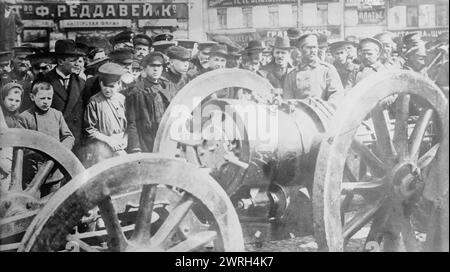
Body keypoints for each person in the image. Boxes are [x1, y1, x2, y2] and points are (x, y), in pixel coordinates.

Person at [19, 81, 75, 196]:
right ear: (32, 97)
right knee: (33, 205)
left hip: (54, 171)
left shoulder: (57, 115)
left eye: (49, 98)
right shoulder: (24, 117)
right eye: (42, 98)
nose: (46, 102)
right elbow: (20, 145)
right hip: (33, 174)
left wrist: (59, 150)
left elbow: (68, 137)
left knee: (53, 205)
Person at [38, 39, 85, 155]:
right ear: (60, 61)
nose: (77, 64)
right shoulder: (43, 81)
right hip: (53, 142)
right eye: (73, 61)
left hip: (76, 143)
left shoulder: (81, 83)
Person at [126, 52, 177, 153]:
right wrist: (135, 147)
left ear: (162, 68)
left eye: (159, 66)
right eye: (152, 66)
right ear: (145, 68)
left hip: (166, 137)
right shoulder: (137, 91)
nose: (156, 69)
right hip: (146, 140)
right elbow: (132, 122)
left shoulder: (168, 86)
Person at [81, 63, 128, 168]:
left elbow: (129, 123)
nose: (107, 90)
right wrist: (109, 140)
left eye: (112, 86)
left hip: (120, 144)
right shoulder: (94, 101)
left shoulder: (122, 99)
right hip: (102, 147)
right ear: (100, 83)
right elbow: (89, 129)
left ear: (119, 84)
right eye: (105, 85)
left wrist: (125, 139)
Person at [284, 33, 343, 102]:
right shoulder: (292, 75)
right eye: (309, 47)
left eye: (314, 47)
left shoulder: (327, 70)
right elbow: (287, 99)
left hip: (322, 111)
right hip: (299, 111)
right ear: (300, 49)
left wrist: (324, 108)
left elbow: (336, 95)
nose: (313, 51)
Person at [0, 82, 23, 190]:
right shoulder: (1, 117)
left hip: (11, 162)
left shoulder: (18, 118)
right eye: (10, 100)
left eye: (17, 101)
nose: (13, 103)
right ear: (3, 98)